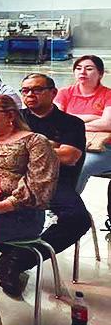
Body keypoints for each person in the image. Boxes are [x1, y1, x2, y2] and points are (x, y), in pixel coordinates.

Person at [0, 74, 88, 298]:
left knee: (78, 219)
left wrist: (26, 148)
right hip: (14, 178)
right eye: (25, 90)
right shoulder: (13, 118)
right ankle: (10, 260)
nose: (30, 94)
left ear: (53, 93)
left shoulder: (71, 123)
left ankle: (17, 260)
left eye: (37, 90)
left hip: (54, 181)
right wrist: (48, 146)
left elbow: (69, 156)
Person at [0, 95, 58, 244]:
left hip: (18, 213)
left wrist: (1, 206)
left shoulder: (34, 141)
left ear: (10, 115)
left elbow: (40, 184)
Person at [54, 56, 111, 211]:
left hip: (103, 149)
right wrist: (93, 117)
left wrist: (73, 123)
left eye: (89, 68)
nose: (83, 72)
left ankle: (66, 207)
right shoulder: (64, 93)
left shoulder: (108, 95)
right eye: (78, 68)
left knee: (82, 164)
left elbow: (107, 123)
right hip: (69, 145)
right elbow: (56, 121)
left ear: (100, 73)